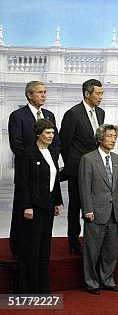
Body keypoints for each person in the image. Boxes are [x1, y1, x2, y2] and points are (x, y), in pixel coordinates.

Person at [8, 81, 59, 259]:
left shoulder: (49, 115)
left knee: (42, 222)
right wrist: (34, 161)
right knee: (22, 213)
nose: (43, 95)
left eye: (45, 92)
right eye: (39, 92)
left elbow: (56, 144)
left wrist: (46, 162)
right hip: (27, 175)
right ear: (29, 95)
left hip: (46, 177)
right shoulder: (18, 116)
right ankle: (17, 248)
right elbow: (17, 145)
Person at [16, 119, 62, 293]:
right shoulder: (27, 154)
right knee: (31, 248)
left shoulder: (52, 152)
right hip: (33, 207)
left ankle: (42, 286)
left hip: (48, 205)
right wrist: (27, 206)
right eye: (48, 133)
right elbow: (23, 183)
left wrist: (57, 201)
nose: (51, 136)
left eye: (52, 132)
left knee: (44, 247)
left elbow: (54, 178)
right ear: (38, 134)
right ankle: (28, 288)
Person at [60, 79, 105, 255]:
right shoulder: (73, 113)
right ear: (87, 94)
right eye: (98, 93)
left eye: (102, 93)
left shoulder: (101, 112)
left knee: (93, 203)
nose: (101, 97)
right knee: (76, 204)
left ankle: (92, 240)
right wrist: (72, 164)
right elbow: (65, 143)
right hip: (77, 168)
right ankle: (73, 241)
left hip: (96, 168)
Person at [79, 124, 118, 295]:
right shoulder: (88, 159)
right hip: (95, 212)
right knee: (92, 251)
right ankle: (91, 283)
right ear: (100, 138)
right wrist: (88, 209)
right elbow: (85, 187)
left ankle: (107, 280)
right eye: (110, 136)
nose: (113, 140)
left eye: (115, 136)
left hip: (113, 212)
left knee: (110, 251)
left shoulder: (117, 159)